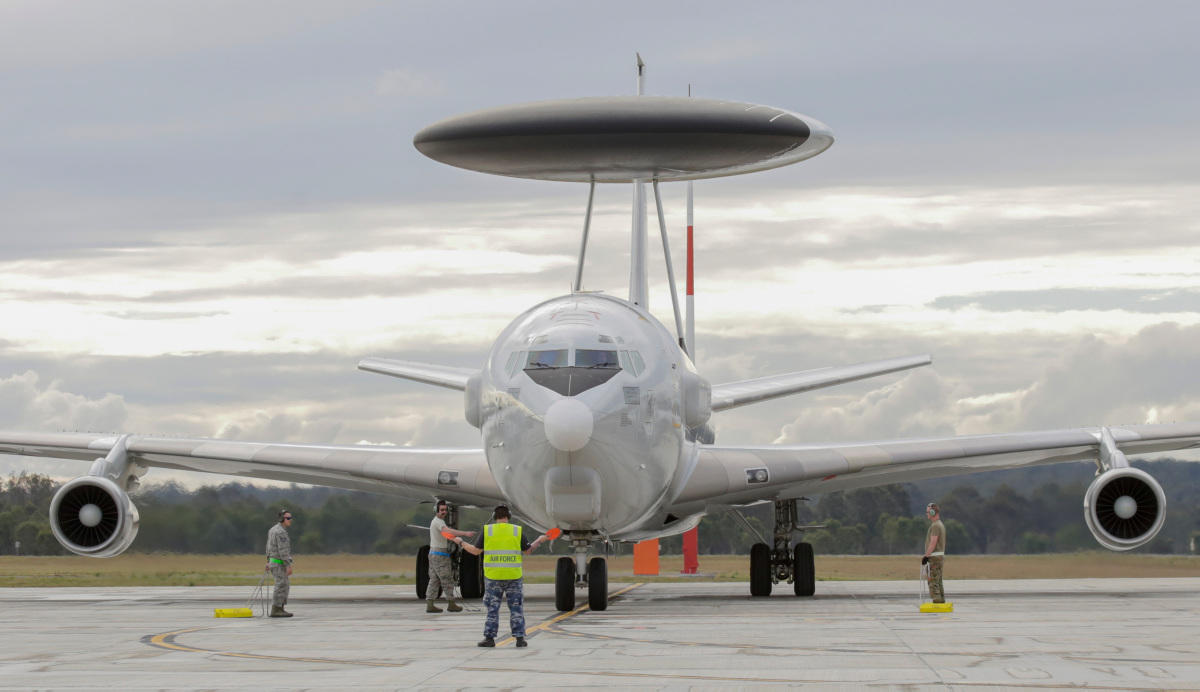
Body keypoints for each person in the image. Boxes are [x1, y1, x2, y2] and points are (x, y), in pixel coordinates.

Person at [453, 505, 548, 648]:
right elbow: (528, 551)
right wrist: (540, 540)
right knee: (516, 608)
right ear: (508, 516)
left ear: (494, 516)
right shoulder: (517, 530)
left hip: (493, 577)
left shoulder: (488, 530)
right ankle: (520, 639)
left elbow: (475, 551)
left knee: (492, 609)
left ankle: (489, 639)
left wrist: (460, 542)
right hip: (513, 577)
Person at [426, 499, 476, 613]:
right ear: (436, 510)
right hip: (440, 555)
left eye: (445, 510)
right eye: (442, 510)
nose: (444, 512)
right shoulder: (439, 522)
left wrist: (455, 539)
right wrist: (465, 533)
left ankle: (430, 604)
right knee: (447, 579)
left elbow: (445, 534)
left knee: (434, 579)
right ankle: (451, 604)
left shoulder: (437, 522)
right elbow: (447, 531)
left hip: (433, 553)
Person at [265, 509, 295, 617]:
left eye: (291, 518)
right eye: (288, 518)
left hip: (274, 562)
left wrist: (268, 561)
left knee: (283, 584)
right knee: (281, 585)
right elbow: (283, 551)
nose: (290, 520)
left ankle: (280, 608)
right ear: (282, 519)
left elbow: (268, 547)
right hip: (279, 563)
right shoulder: (281, 532)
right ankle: (276, 609)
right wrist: (288, 565)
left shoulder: (272, 529)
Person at [921, 502, 946, 604]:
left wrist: (926, 556)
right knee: (938, 580)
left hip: (934, 558)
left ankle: (937, 601)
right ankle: (941, 599)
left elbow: (933, 542)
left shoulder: (935, 526)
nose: (926, 514)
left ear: (932, 512)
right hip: (939, 557)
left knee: (933, 581)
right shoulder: (940, 524)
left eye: (927, 512)